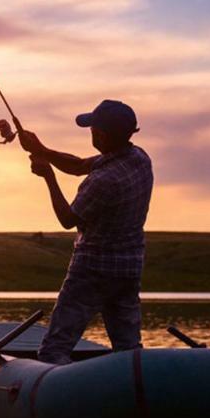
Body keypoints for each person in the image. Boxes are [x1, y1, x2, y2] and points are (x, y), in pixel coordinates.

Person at [19, 100, 153, 365]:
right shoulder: (138, 158)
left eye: (92, 128)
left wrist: (48, 176)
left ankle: (54, 398)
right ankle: (135, 391)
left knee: (54, 350)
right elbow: (79, 165)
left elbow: (68, 219)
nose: (90, 131)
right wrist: (41, 149)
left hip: (91, 270)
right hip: (128, 270)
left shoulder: (103, 181)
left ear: (100, 135)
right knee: (128, 349)